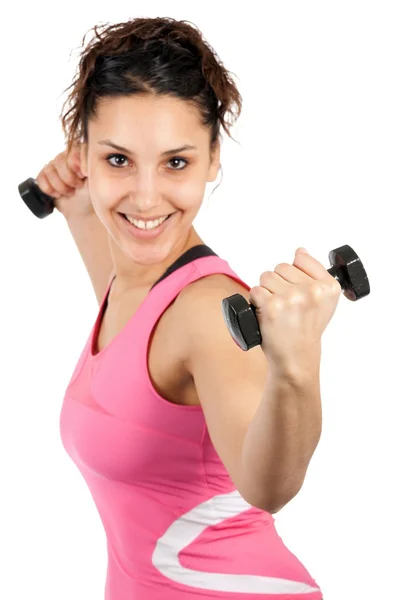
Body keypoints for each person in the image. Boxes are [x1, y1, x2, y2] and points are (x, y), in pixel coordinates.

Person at [37, 17, 324, 600]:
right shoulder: (139, 282)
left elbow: (268, 486)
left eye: (176, 163)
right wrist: (77, 206)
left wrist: (295, 370)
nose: (146, 197)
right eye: (119, 160)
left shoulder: (207, 312)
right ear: (81, 152)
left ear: (213, 160)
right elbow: (127, 355)